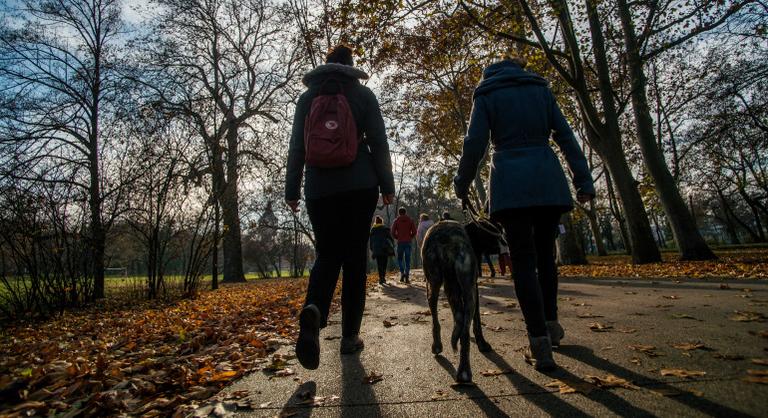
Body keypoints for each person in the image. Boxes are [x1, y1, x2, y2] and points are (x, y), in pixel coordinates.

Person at [454, 56, 595, 371]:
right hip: (547, 178)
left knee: (522, 260)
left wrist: (462, 183)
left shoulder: (487, 93)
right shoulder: (539, 89)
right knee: (546, 257)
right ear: (519, 68)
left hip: (510, 185)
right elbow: (565, 136)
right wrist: (583, 180)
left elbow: (474, 143)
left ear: (488, 73)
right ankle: (551, 323)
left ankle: (538, 341)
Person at [285, 45, 395, 370]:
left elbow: (296, 147)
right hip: (360, 185)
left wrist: (292, 190)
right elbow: (379, 141)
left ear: (326, 65)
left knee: (328, 253)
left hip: (319, 188)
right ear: (350, 66)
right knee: (354, 260)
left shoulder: (306, 99)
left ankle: (315, 309)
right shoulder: (363, 95)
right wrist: (387, 186)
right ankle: (349, 337)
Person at [391, 207, 417, 283]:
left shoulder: (396, 221)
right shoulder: (410, 220)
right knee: (407, 260)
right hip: (408, 242)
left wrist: (397, 237)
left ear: (399, 213)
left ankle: (402, 273)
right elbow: (415, 232)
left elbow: (392, 232)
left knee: (400, 259)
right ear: (405, 212)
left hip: (400, 242)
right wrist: (410, 237)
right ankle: (407, 275)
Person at [369, 216, 394, 285]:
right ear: (382, 222)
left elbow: (371, 241)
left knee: (379, 263)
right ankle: (383, 276)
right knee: (384, 263)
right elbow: (390, 238)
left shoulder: (373, 230)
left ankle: (381, 278)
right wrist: (392, 245)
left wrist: (372, 248)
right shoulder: (385, 229)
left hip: (376, 249)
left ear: (375, 222)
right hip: (384, 248)